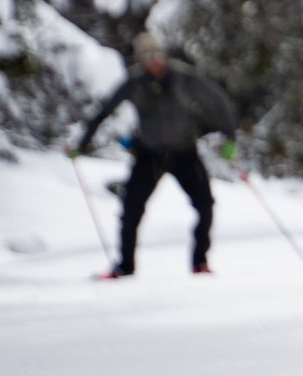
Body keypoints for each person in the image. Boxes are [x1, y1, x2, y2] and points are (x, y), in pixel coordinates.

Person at [69, 31, 239, 277]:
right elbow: (103, 111)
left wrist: (229, 137)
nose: (154, 62)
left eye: (157, 55)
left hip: (184, 153)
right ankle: (125, 266)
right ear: (140, 61)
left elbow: (219, 101)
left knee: (205, 206)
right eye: (147, 58)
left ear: (164, 55)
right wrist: (81, 145)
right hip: (149, 154)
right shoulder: (133, 84)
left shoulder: (184, 78)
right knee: (131, 209)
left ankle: (199, 263)